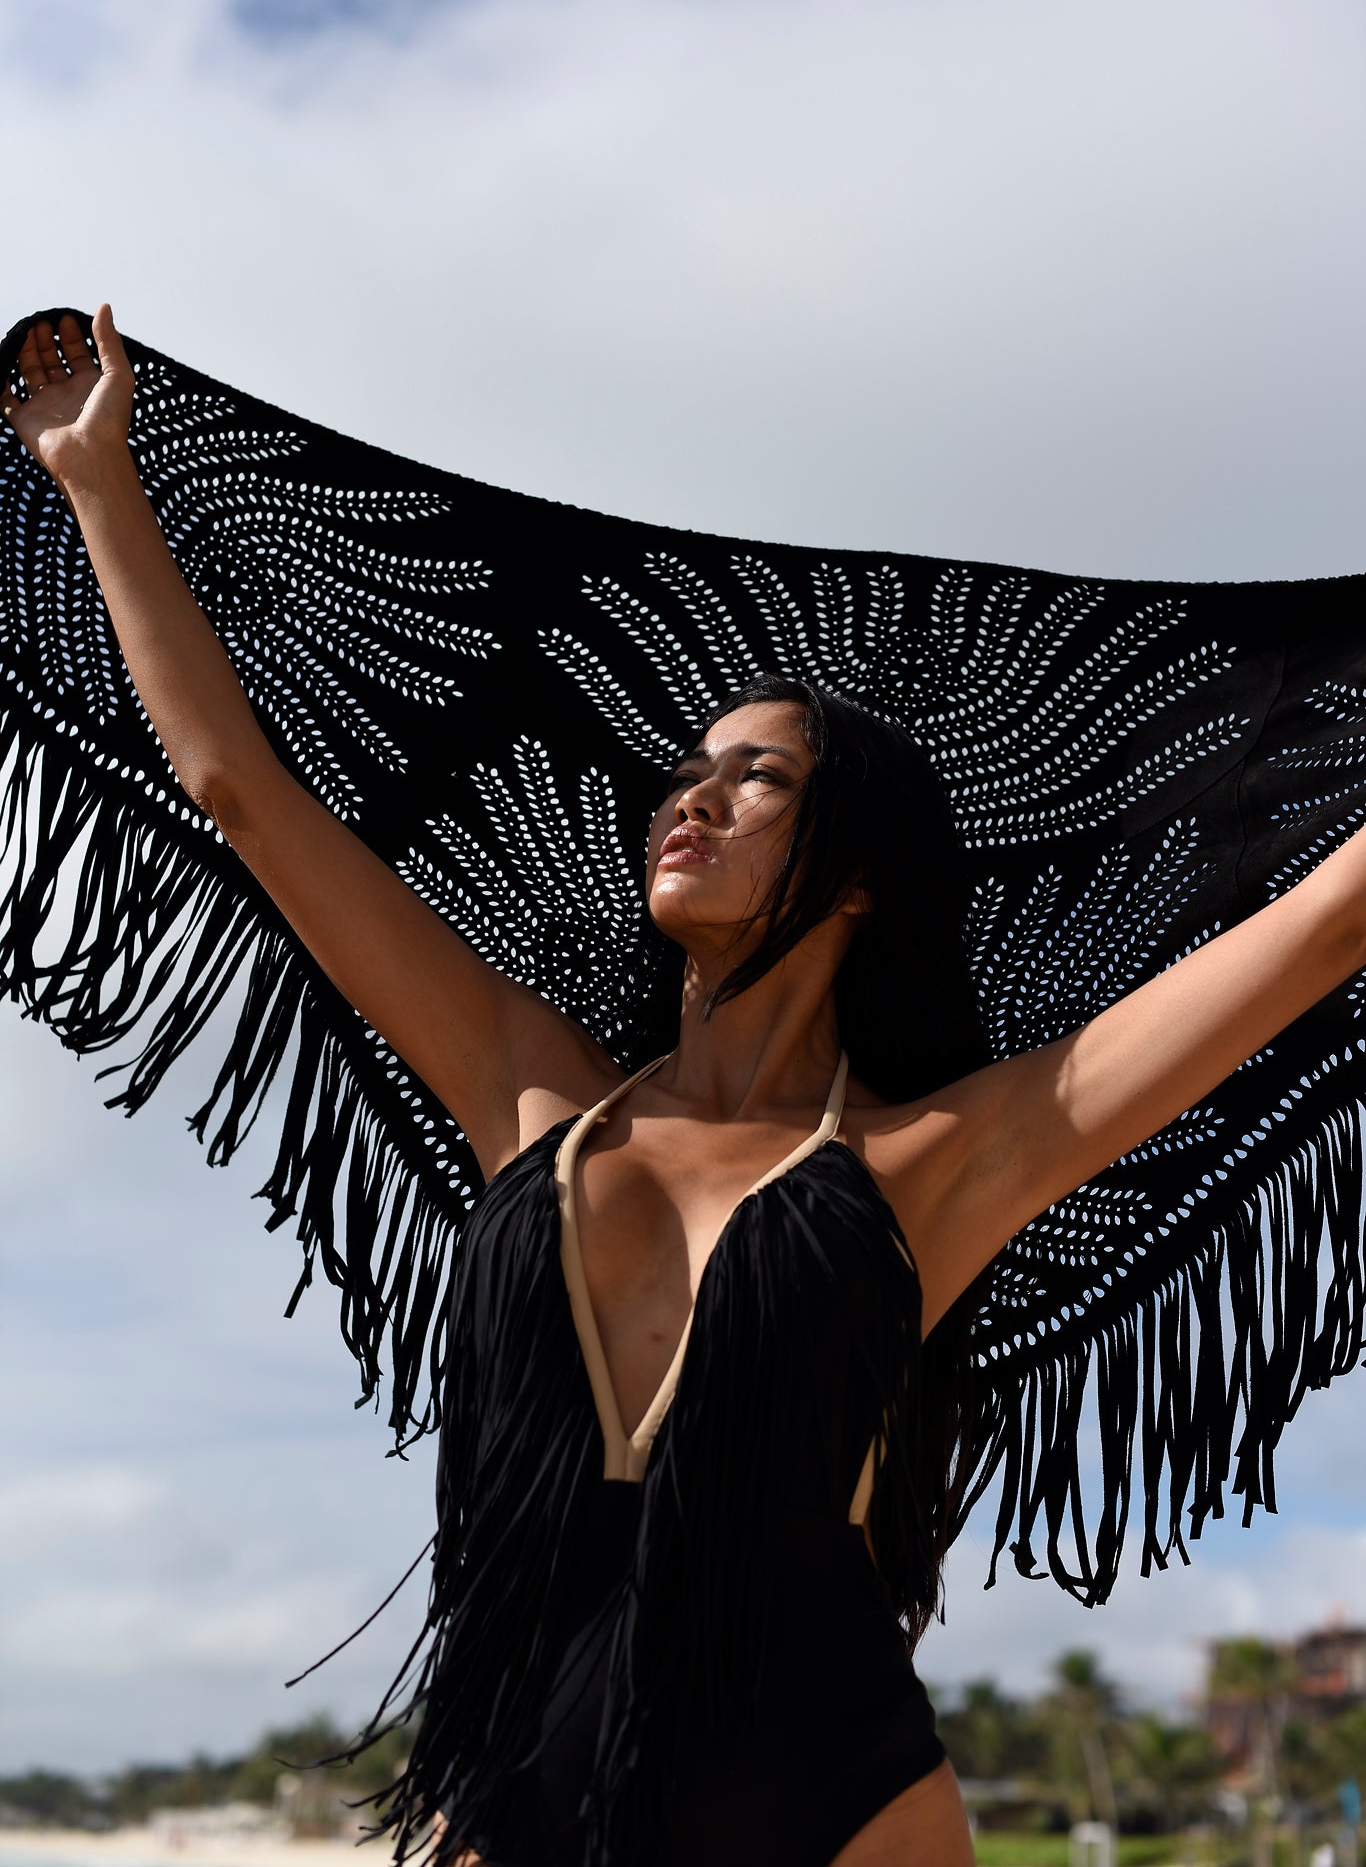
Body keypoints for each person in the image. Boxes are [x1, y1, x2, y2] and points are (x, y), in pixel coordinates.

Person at [7, 306, 1366, 1866]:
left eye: (756, 778)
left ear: (854, 874)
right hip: (510, 1768)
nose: (692, 798)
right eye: (686, 771)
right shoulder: (528, 1088)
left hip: (829, 1785)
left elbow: (1325, 928)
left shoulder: (940, 1160)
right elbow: (235, 789)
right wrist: (102, 489)